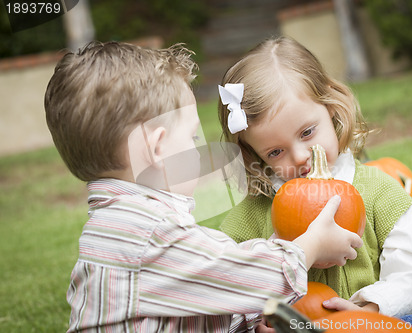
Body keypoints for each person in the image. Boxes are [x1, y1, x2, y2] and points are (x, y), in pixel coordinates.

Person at [44, 41, 363, 332]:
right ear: (158, 148)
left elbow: (202, 292)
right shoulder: (148, 237)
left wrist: (253, 323)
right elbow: (244, 279)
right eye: (192, 138)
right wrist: (311, 245)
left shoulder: (116, 230)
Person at [217, 37, 412, 332]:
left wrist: (371, 308)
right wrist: (261, 317)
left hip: (381, 321)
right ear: (254, 155)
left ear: (332, 108)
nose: (300, 156)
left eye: (307, 132)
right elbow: (224, 278)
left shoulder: (380, 191)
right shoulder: (252, 215)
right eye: (275, 151)